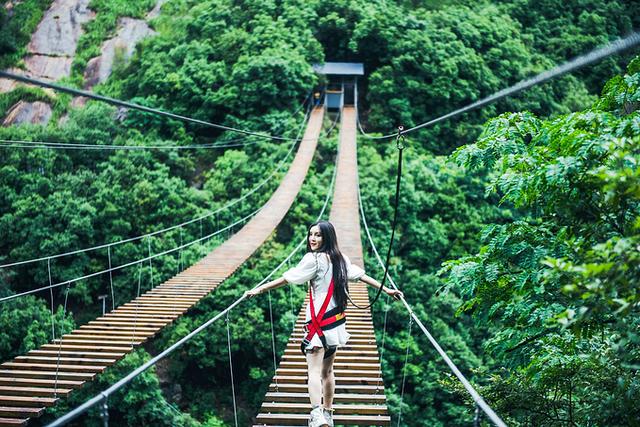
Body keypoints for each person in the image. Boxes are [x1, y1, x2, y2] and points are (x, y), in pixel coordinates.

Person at [245, 220, 403, 427]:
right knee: (328, 372)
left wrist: (260, 289)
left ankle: (317, 414)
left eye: (318, 235)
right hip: (335, 323)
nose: (313, 238)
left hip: (317, 324)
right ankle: (328, 413)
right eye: (311, 234)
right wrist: (387, 290)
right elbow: (361, 275)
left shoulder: (313, 259)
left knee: (314, 372)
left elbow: (288, 278)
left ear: (327, 237)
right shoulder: (341, 259)